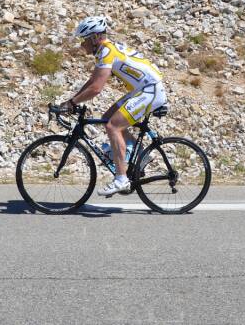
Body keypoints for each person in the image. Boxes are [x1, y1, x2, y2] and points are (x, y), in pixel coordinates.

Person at [59, 16, 167, 197]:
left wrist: (72, 103)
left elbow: (96, 88)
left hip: (150, 90)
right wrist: (71, 100)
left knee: (113, 126)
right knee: (107, 117)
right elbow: (92, 81)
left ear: (94, 38)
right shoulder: (105, 51)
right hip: (143, 88)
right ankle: (140, 156)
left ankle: (121, 179)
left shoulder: (107, 52)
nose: (82, 45)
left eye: (84, 40)